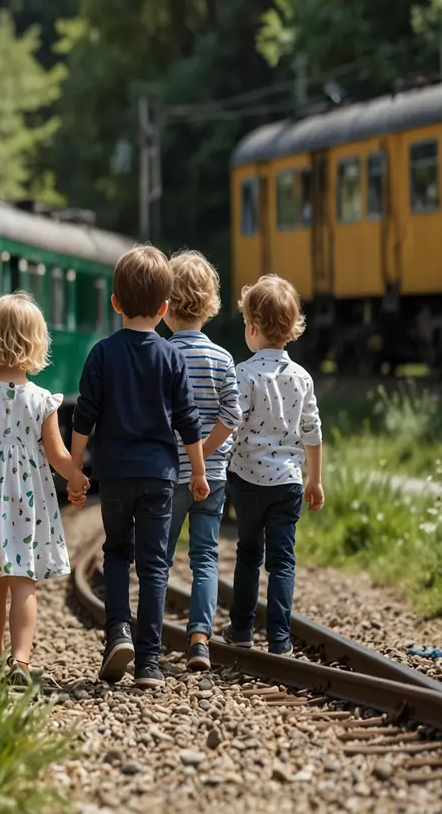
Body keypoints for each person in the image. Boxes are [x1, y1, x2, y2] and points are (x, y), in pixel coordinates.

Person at [71, 244, 208, 688]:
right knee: (153, 567)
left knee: (115, 552)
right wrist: (200, 471)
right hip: (160, 477)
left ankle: (117, 635)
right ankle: (149, 663)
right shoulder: (171, 356)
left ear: (115, 303)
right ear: (165, 308)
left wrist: (75, 469)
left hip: (114, 474)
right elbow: (188, 421)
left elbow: (83, 417)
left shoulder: (101, 354)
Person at [0, 291, 88, 684]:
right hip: (29, 497)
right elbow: (56, 453)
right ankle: (20, 662)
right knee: (26, 581)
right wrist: (75, 477)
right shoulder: (42, 400)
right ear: (37, 343)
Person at [203, 274, 325, 655]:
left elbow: (230, 421)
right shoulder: (302, 378)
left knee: (249, 554)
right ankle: (279, 639)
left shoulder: (245, 373)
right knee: (282, 562)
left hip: (247, 481)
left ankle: (240, 629)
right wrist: (315, 480)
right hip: (288, 483)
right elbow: (312, 432)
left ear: (253, 328)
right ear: (292, 330)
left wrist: (202, 453)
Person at [163, 250, 242, 673]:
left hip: (170, 474)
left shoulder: (161, 355)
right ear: (210, 304)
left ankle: (150, 639)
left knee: (159, 556)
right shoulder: (222, 358)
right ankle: (199, 640)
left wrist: (189, 455)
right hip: (211, 477)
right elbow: (233, 414)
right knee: (206, 557)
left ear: (165, 306)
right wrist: (206, 454)